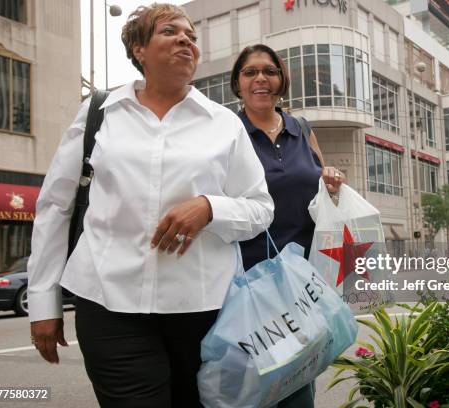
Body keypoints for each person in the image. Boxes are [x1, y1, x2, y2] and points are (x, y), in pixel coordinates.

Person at [27, 4, 274, 407]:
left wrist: (209, 208)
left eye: (191, 36)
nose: (185, 40)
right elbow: (55, 205)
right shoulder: (98, 114)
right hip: (108, 302)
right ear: (139, 48)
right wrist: (43, 301)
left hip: (205, 308)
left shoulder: (223, 123)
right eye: (170, 31)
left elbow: (260, 208)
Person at [231, 44, 345, 408]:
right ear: (237, 84)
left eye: (269, 71)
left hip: (302, 279)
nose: (260, 78)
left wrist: (331, 179)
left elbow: (325, 191)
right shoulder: (228, 131)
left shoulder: (301, 128)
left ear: (281, 79)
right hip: (248, 279)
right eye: (250, 72)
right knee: (255, 379)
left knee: (297, 379)